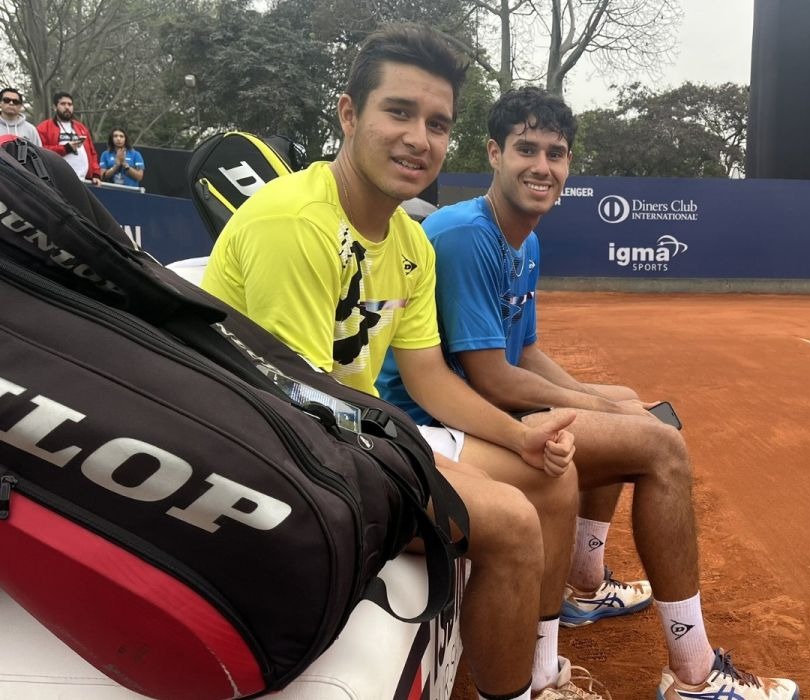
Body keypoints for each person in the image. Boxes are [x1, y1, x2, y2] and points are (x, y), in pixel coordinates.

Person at [201, 24, 604, 700]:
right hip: (277, 452)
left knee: (551, 482)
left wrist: (520, 435)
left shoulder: (411, 244)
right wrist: (419, 459)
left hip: (354, 435)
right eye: (399, 111)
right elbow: (299, 402)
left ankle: (540, 675)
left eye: (438, 122)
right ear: (349, 114)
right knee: (508, 522)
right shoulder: (296, 222)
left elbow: (429, 380)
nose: (420, 137)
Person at [378, 86, 801, 700]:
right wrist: (609, 412)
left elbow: (524, 352)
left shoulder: (524, 238)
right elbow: (493, 378)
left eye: (556, 153)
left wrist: (605, 399)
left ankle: (585, 586)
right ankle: (696, 674)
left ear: (569, 165)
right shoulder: (468, 235)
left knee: (623, 403)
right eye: (526, 149)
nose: (542, 167)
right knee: (658, 448)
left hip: (481, 408)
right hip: (440, 419)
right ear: (494, 153)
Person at [36, 91, 100, 184]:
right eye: (63, 104)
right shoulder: (44, 128)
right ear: (55, 107)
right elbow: (39, 151)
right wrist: (65, 148)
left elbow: (92, 153)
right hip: (57, 181)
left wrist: (96, 174)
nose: (67, 107)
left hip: (84, 181)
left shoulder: (81, 128)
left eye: (70, 104)